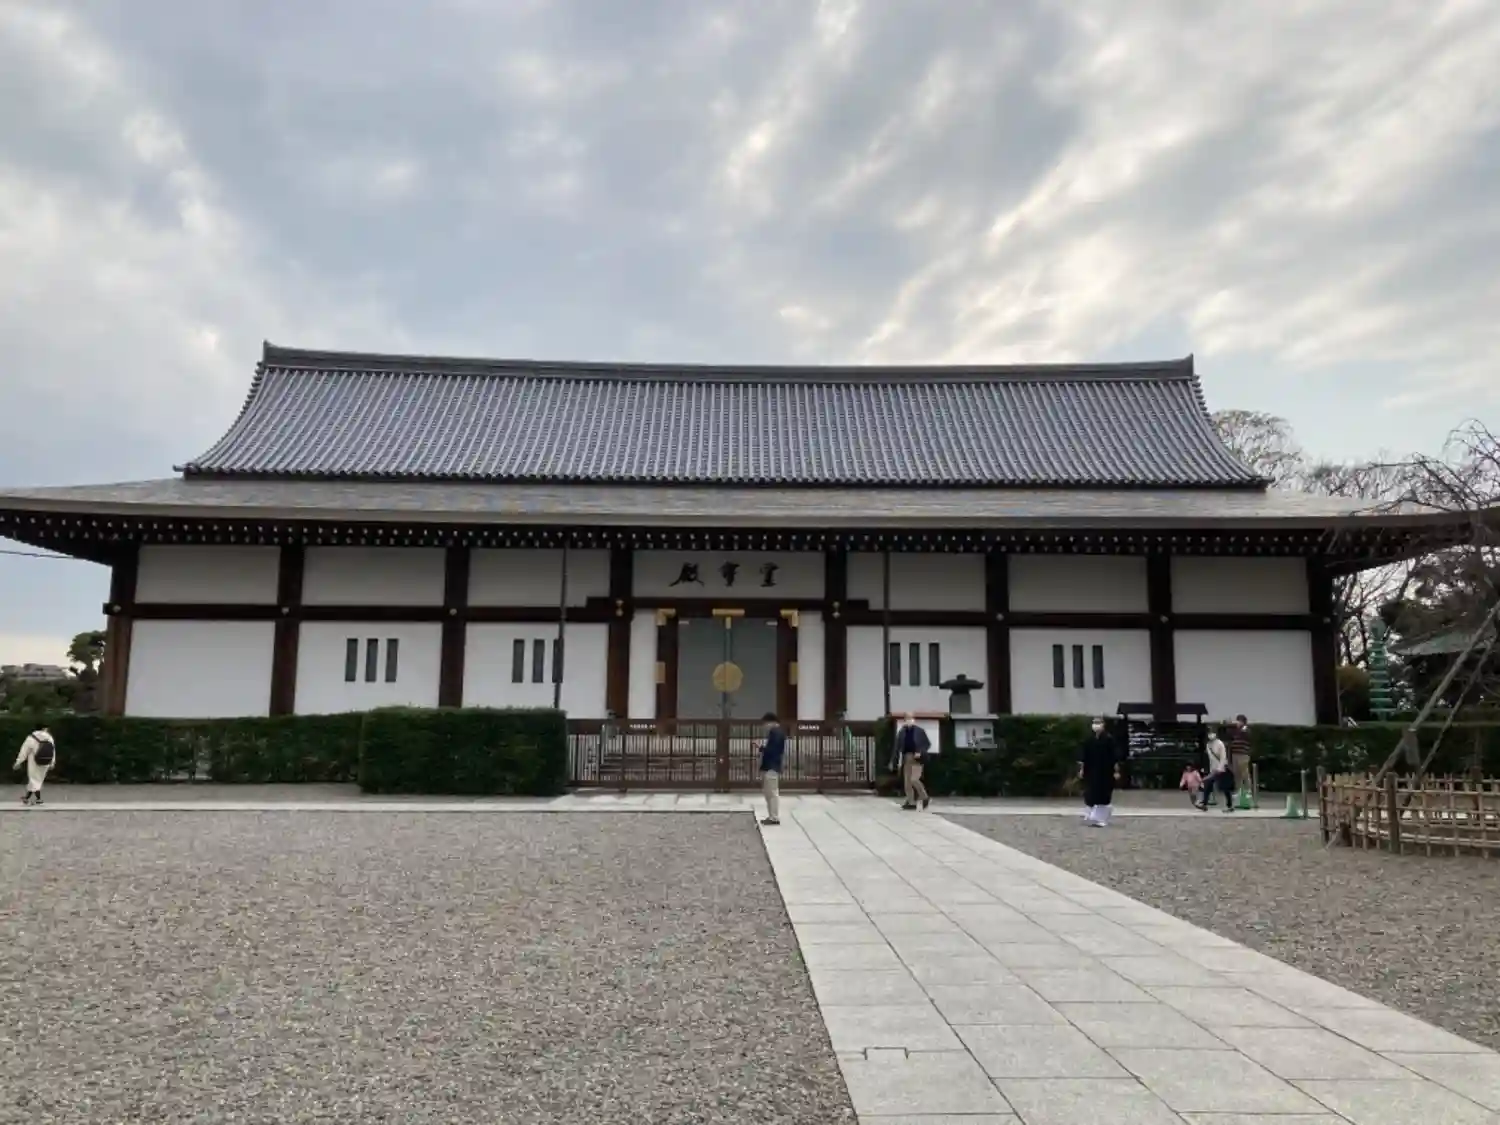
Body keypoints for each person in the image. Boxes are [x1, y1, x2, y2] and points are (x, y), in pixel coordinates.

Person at [1078, 717, 1119, 826]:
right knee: (1090, 792)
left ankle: (1102, 818)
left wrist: (1116, 771)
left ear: (1103, 725)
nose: (1096, 725)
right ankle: (1091, 814)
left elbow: (1114, 757)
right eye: (1094, 723)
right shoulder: (1089, 739)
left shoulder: (1109, 739)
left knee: (1103, 794)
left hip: (1105, 771)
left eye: (1098, 723)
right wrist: (1082, 769)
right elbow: (1084, 756)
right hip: (1091, 770)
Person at [895, 713, 931, 810]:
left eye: (911, 718)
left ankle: (924, 796)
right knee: (907, 782)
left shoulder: (919, 731)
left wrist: (920, 751)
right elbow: (897, 747)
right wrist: (896, 760)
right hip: (906, 757)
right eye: (907, 719)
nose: (909, 720)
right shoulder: (902, 732)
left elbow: (927, 744)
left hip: (917, 758)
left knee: (914, 779)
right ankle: (911, 802)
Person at [14, 724, 57, 806]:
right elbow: (53, 751)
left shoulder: (31, 738)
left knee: (33, 779)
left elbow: (24, 751)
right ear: (44, 728)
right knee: (38, 780)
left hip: (34, 761)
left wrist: (18, 762)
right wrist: (52, 762)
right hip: (46, 761)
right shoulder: (49, 738)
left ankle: (38, 799)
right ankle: (27, 798)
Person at [759, 711, 785, 826]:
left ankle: (774, 817)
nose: (765, 727)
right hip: (771, 765)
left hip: (771, 766)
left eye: (765, 724)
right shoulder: (777, 732)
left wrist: (762, 748)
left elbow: (772, 750)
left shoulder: (776, 733)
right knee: (769, 792)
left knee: (772, 793)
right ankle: (771, 816)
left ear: (771, 722)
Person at [1201, 727, 1233, 812]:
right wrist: (1210, 770)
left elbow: (1223, 757)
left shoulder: (1220, 743)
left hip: (1221, 768)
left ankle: (1229, 805)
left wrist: (1220, 768)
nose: (1210, 735)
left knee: (1225, 788)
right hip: (1213, 769)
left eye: (1212, 732)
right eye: (1209, 733)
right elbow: (1210, 759)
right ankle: (1204, 804)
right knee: (1208, 784)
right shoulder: (1208, 745)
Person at [1229, 714, 1252, 798]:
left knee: (1245, 773)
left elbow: (1246, 735)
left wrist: (1242, 728)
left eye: (1239, 721)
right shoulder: (1235, 731)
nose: (1237, 722)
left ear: (1243, 722)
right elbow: (1230, 736)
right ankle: (1238, 790)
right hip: (1235, 754)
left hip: (1243, 754)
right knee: (1237, 774)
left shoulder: (1246, 730)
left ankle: (1248, 790)